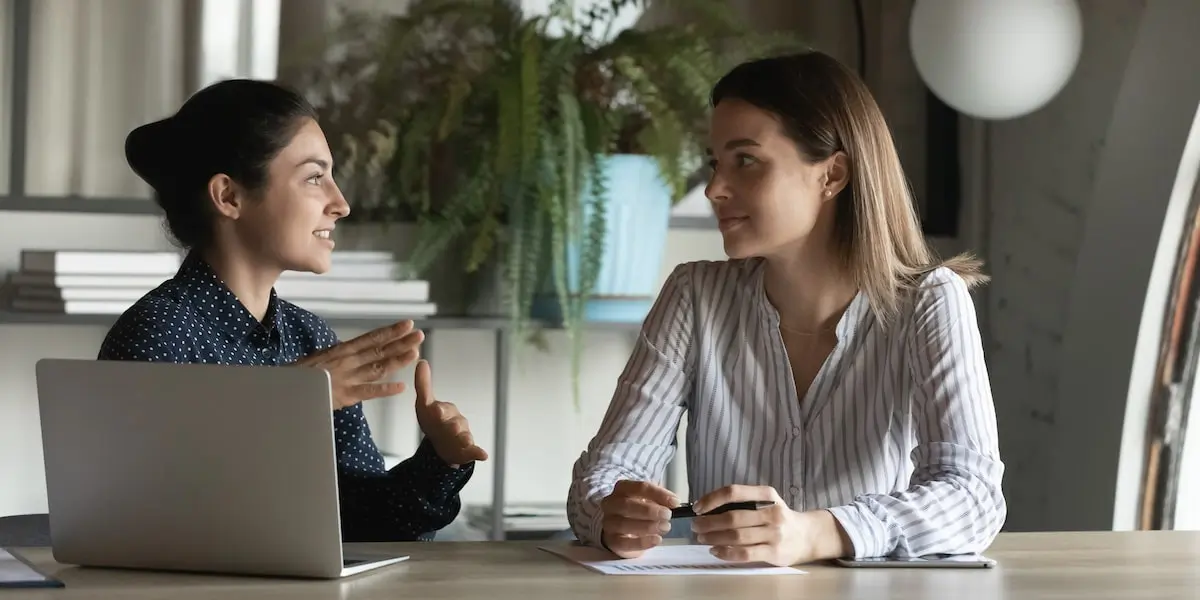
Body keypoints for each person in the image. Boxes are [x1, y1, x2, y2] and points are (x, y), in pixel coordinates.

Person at [566, 51, 1006, 566]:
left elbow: (973, 498)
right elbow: (598, 482)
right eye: (715, 163)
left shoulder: (930, 301)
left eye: (745, 160)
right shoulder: (694, 296)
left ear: (832, 175)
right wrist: (611, 516)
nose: (714, 189)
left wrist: (817, 534)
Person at [98, 78, 488, 543]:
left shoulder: (311, 337)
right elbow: (147, 513)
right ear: (229, 197)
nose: (340, 204)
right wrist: (289, 403)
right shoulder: (154, 335)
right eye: (314, 178)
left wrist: (439, 461)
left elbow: (362, 522)